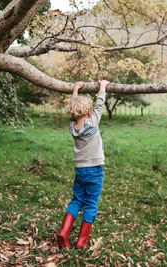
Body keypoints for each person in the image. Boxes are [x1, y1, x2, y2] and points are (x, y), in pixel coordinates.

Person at [57, 80, 110, 249]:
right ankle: (82, 241)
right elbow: (99, 105)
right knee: (91, 203)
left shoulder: (73, 126)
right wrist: (102, 87)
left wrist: (75, 89)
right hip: (94, 170)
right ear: (89, 111)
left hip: (80, 170)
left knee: (77, 200)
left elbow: (74, 107)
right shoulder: (92, 122)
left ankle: (64, 232)